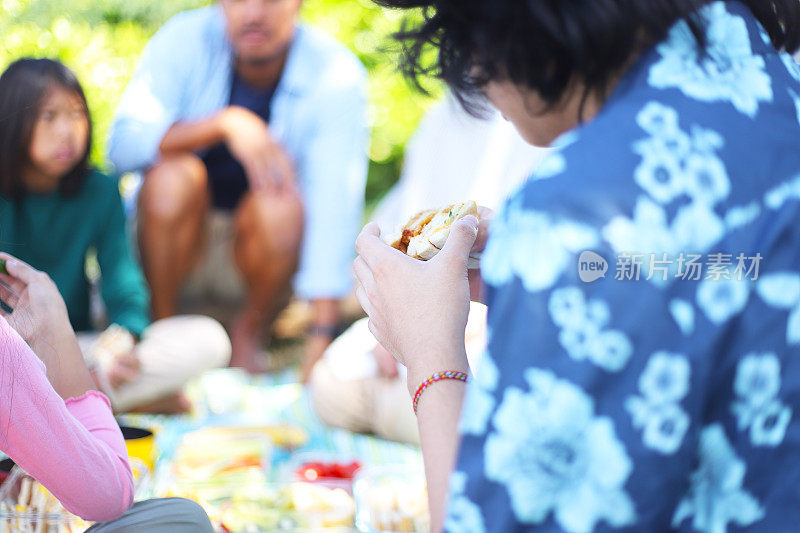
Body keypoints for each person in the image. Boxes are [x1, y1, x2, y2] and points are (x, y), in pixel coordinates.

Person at [355, 1, 800, 532]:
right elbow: (722, 270)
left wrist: (429, 355)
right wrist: (553, 277)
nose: (472, 74)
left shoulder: (575, 211)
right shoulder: (766, 77)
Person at [107, 0, 369, 377]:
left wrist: (321, 335)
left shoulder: (335, 71)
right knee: (173, 176)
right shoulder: (183, 38)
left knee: (281, 202)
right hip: (174, 250)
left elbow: (335, 202)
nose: (253, 13)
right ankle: (161, 331)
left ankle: (250, 333)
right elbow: (121, 147)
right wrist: (225, 124)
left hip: (257, 260)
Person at [310, 94, 546, 445]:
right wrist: (397, 315)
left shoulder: (580, 143)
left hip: (509, 345)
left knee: (486, 423)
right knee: (331, 384)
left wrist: (451, 325)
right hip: (438, 318)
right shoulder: (445, 116)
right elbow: (404, 235)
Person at [0, 58, 231, 414]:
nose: (68, 130)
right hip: (11, 355)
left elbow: (123, 283)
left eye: (76, 114)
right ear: (13, 121)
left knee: (208, 339)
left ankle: (65, 404)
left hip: (79, 347)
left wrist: (122, 342)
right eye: (49, 117)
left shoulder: (99, 189)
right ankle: (103, 401)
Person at [0, 253, 214, 531]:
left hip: (86, 344)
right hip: (31, 347)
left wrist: (128, 335)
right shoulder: (6, 346)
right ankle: (92, 392)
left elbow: (124, 282)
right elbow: (108, 496)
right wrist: (54, 327)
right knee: (184, 520)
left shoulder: (100, 206)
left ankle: (80, 386)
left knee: (209, 338)